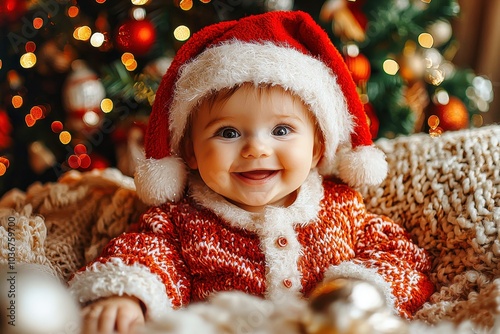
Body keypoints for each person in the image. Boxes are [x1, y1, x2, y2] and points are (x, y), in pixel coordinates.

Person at [69, 10, 434, 334]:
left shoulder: (341, 209)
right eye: (228, 132)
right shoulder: (181, 222)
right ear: (191, 153)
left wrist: (354, 291)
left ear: (317, 148)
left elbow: (399, 257)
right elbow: (145, 256)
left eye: (281, 130)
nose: (256, 149)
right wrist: (129, 295)